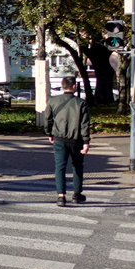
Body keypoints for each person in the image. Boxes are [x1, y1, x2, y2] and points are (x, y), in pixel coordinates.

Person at [43, 76, 91, 207]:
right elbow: (84, 124)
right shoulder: (81, 103)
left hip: (59, 139)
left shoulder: (53, 101)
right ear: (74, 86)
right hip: (76, 140)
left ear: (63, 86)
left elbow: (47, 119)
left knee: (60, 167)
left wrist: (49, 133)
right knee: (77, 166)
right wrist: (86, 142)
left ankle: (61, 196)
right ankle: (77, 195)